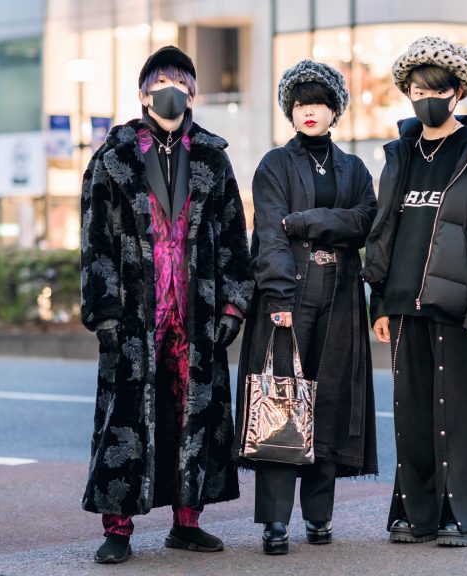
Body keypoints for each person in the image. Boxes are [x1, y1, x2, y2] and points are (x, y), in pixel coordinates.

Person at [79, 45, 253, 564]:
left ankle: (187, 521)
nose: (170, 90)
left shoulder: (213, 157)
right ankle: (118, 528)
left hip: (195, 313)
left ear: (193, 93)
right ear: (142, 92)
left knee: (193, 415)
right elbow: (95, 240)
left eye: (180, 81)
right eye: (160, 82)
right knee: (126, 418)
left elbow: (232, 238)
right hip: (135, 315)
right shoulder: (113, 158)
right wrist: (103, 309)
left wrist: (233, 305)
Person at [361, 36, 467, 547]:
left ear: (458, 92)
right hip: (405, 307)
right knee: (412, 415)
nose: (424, 97)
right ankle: (418, 513)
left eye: (436, 89)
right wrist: (381, 302)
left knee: (461, 414)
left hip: (457, 310)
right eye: (415, 89)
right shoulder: (401, 155)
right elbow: (383, 232)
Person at [233, 60, 378, 555]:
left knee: (328, 403)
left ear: (335, 110)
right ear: (289, 112)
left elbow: (365, 222)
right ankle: (276, 524)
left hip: (339, 298)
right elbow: (270, 232)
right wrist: (277, 297)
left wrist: (309, 220)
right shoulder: (274, 164)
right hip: (289, 299)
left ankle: (319, 518)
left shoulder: (354, 168)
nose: (309, 111)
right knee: (281, 402)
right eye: (299, 104)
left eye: (319, 102)